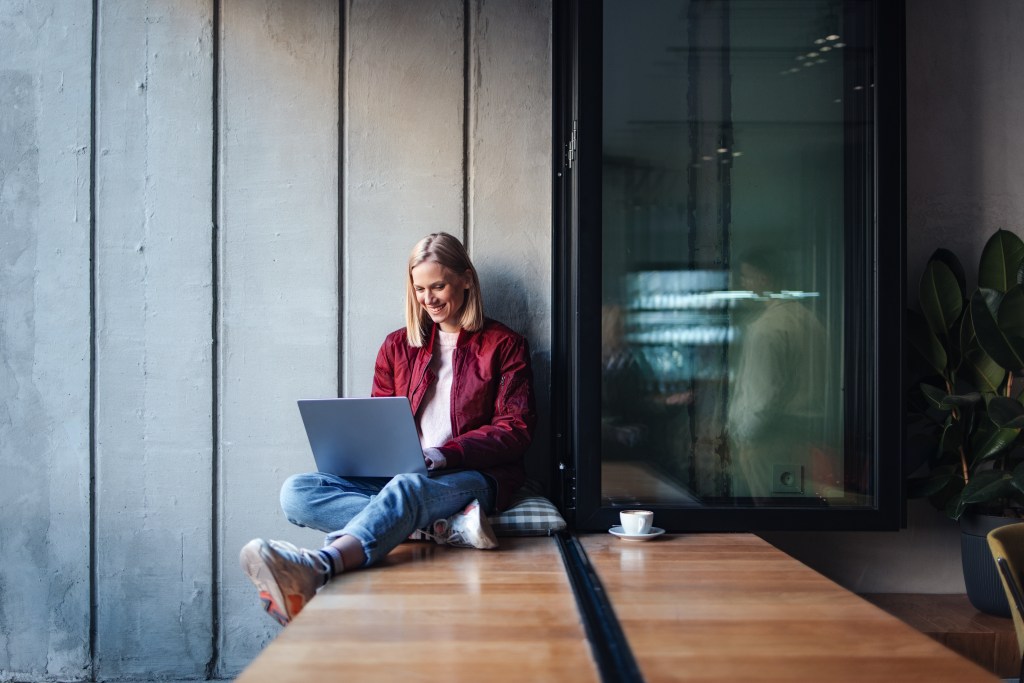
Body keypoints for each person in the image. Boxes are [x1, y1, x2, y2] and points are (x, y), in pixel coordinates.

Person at [240, 232, 536, 626]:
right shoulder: (397, 347)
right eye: (419, 289)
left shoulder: (504, 345)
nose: (428, 299)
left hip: (472, 476)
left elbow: (515, 429)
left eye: (438, 286)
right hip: (402, 475)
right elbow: (379, 423)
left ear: (466, 279)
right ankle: (443, 529)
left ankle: (319, 566)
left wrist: (444, 453)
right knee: (297, 492)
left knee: (408, 488)